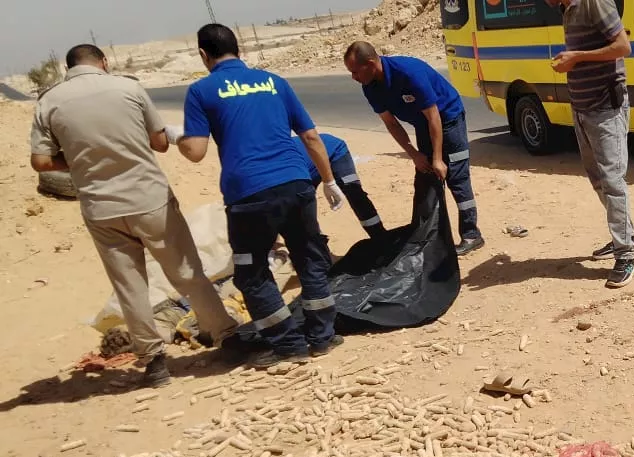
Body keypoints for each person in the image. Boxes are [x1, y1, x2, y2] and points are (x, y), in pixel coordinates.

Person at [27, 44, 257, 387]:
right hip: (149, 199)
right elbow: (160, 143)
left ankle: (153, 363)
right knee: (187, 272)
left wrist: (76, 158)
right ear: (103, 62)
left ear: (68, 68)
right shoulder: (128, 88)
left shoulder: (50, 102)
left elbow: (41, 162)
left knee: (129, 286)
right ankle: (227, 337)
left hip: (101, 209)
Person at [172, 24, 348, 369]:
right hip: (296, 183)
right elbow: (311, 137)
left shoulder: (201, 90)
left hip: (249, 194)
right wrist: (328, 180)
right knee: (310, 259)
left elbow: (195, 152)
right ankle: (323, 337)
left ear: (203, 55)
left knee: (251, 273)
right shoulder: (274, 82)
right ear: (239, 49)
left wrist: (176, 136)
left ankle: (288, 345)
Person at [342, 42, 485, 256]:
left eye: (355, 71)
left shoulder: (408, 73)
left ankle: (472, 235)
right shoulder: (370, 87)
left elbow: (434, 116)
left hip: (448, 118)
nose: (353, 77)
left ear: (370, 64)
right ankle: (426, 237)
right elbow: (391, 123)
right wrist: (415, 155)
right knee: (425, 178)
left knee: (456, 177)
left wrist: (438, 158)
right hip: (423, 124)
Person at [547, 0, 634, 288]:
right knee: (598, 179)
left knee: (612, 181)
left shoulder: (594, 2)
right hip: (582, 108)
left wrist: (576, 58)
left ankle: (626, 254)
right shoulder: (567, 8)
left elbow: (623, 46)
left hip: (606, 108)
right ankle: (625, 237)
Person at [293, 132, 387, 241]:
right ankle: (318, 242)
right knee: (300, 211)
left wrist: (329, 182)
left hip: (334, 151)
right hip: (307, 168)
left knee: (354, 192)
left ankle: (380, 237)